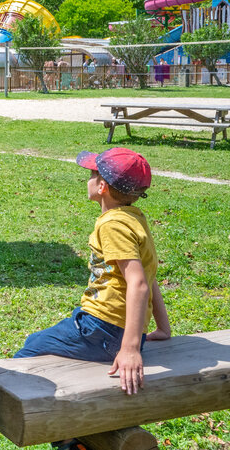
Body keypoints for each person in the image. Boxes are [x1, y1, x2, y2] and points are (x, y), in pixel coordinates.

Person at [15, 148, 170, 409]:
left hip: (103, 329)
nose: (86, 179)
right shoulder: (134, 218)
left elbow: (139, 284)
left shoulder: (111, 224)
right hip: (113, 329)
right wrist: (162, 328)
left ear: (102, 186)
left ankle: (64, 436)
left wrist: (130, 349)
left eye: (90, 174)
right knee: (38, 343)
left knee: (25, 357)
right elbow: (149, 275)